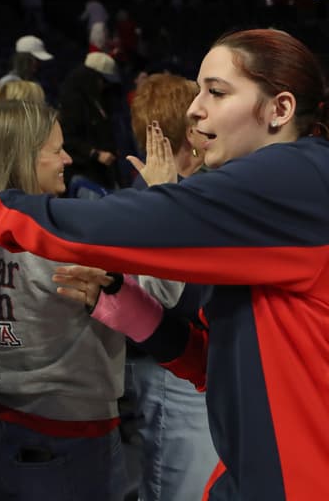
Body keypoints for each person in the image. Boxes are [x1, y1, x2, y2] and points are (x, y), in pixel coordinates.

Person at [0, 27, 329, 500]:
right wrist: (129, 308)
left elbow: (115, 224)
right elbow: (224, 362)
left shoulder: (294, 174)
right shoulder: (292, 190)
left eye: (215, 91)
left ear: (280, 109)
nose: (194, 108)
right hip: (287, 464)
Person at [0, 100, 128, 501]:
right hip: (72, 434)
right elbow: (160, 293)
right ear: (25, 158)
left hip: (0, 424)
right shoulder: (61, 242)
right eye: (56, 150)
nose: (67, 158)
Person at [123, 72, 217, 501]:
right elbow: (167, 300)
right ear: (188, 130)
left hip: (193, 372)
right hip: (171, 375)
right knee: (177, 490)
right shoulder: (148, 198)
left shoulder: (189, 190)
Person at [57, 51, 123, 193]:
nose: (104, 86)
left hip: (102, 173)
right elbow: (68, 139)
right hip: (82, 173)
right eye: (102, 81)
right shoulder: (72, 101)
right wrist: (95, 154)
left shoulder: (98, 98)